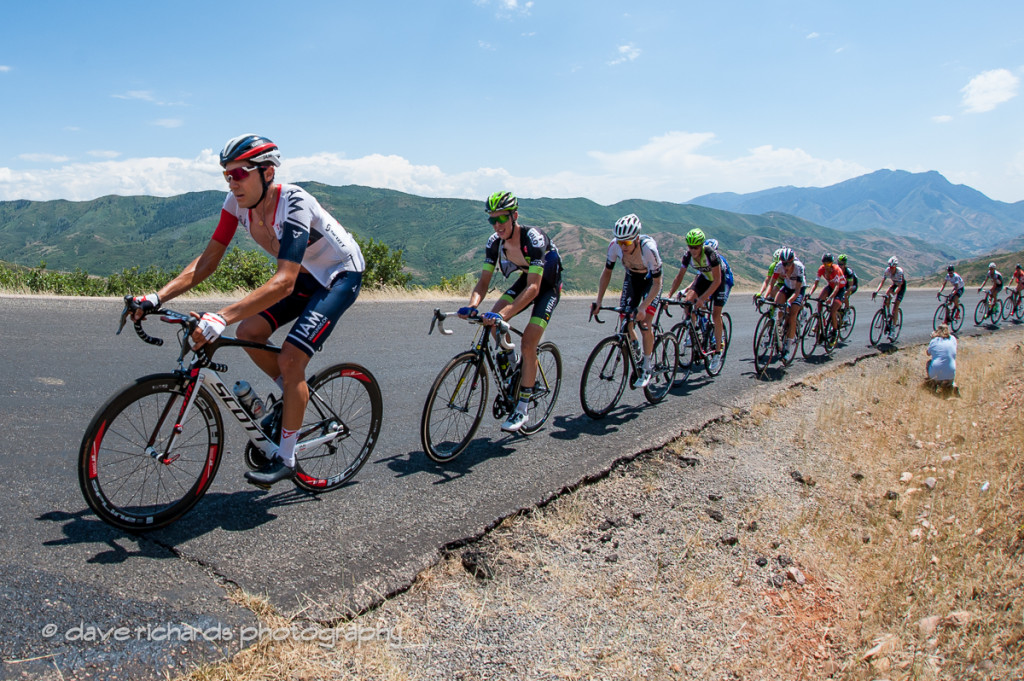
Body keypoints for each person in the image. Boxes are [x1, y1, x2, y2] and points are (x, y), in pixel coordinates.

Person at [128, 134, 366, 487]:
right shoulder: (235, 204)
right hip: (303, 274)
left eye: (240, 174)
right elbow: (208, 260)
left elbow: (283, 282)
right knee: (249, 332)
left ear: (267, 173)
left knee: (291, 358)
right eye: (227, 175)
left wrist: (220, 315)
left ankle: (286, 457)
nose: (232, 182)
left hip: (337, 275)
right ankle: (292, 396)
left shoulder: (294, 202)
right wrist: (157, 297)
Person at [458, 191, 562, 433]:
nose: (497, 225)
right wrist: (472, 305)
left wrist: (504, 315)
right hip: (527, 280)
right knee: (490, 320)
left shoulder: (533, 238)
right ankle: (514, 364)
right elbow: (483, 283)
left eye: (502, 219)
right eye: (492, 220)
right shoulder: (494, 243)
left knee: (528, 342)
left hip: (546, 286)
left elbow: (535, 288)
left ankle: (522, 408)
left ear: (514, 216)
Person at [592, 214, 663, 388]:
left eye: (627, 243)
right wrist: (599, 300)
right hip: (632, 278)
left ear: (637, 239)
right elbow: (607, 272)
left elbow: (657, 283)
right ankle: (635, 345)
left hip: (650, 282)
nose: (623, 246)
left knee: (644, 321)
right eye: (620, 242)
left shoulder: (649, 249)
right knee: (625, 318)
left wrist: (643, 307)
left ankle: (647, 366)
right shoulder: (614, 246)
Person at [667, 228, 727, 373]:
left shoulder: (710, 254)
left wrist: (702, 299)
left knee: (716, 314)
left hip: (719, 280)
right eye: (690, 247)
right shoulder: (687, 255)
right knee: (688, 301)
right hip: (705, 278)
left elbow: (717, 280)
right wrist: (669, 295)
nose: (693, 250)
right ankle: (692, 331)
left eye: (696, 247)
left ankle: (717, 352)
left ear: (701, 245)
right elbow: (679, 276)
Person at [772, 248, 806, 355]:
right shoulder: (779, 266)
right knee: (778, 305)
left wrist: (790, 301)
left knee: (792, 316)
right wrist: (765, 296)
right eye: (784, 263)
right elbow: (771, 283)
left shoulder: (799, 267)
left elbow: (797, 291)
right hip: (787, 287)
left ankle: (787, 348)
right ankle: (780, 328)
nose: (786, 266)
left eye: (789, 263)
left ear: (793, 261)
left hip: (798, 289)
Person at [805, 252, 846, 333]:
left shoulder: (836, 269)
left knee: (833, 310)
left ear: (832, 263)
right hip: (830, 287)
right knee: (819, 302)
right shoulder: (821, 269)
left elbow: (837, 287)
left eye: (829, 263)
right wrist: (809, 294)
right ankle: (820, 322)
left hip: (840, 289)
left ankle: (834, 331)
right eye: (824, 263)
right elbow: (815, 284)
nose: (826, 265)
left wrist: (830, 298)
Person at [872, 256, 906, 337]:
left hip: (900, 286)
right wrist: (876, 291)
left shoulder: (900, 271)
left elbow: (899, 287)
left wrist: (894, 294)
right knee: (886, 296)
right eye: (890, 267)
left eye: (892, 267)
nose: (891, 269)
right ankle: (887, 314)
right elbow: (882, 282)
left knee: (896, 306)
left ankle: (893, 329)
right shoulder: (887, 270)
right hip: (894, 284)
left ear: (895, 266)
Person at [926, 323, 957, 393]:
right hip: (951, 374)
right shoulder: (953, 339)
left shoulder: (935, 340)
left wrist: (933, 338)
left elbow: (928, 353)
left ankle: (933, 384)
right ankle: (951, 384)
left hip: (936, 374)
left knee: (929, 363)